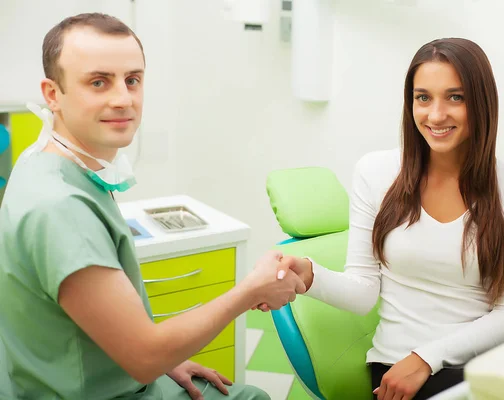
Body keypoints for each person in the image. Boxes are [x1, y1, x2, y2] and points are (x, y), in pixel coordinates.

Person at [0, 13, 306, 400]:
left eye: (132, 80)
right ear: (52, 94)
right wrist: (250, 290)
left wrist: (166, 358)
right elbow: (144, 357)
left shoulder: (42, 160)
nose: (123, 99)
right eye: (98, 82)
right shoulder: (59, 209)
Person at [270, 38, 504, 400]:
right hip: (397, 368)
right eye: (423, 97)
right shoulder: (376, 172)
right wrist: (310, 274)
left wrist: (428, 357)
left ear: (481, 103)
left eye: (455, 97)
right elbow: (362, 291)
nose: (435, 115)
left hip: (483, 367)